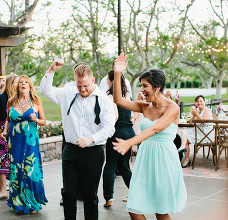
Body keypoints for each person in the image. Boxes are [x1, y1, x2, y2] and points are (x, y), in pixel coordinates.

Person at [110, 55, 187, 219]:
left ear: (157, 87)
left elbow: (154, 129)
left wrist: (128, 143)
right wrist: (117, 74)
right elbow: (118, 99)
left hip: (164, 160)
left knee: (161, 210)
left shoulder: (172, 108)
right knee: (134, 207)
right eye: (140, 85)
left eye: (145, 86)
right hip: (145, 159)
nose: (141, 90)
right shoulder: (144, 106)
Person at [40, 59, 117, 220]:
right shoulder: (67, 93)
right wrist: (51, 70)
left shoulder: (103, 99)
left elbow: (109, 128)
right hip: (70, 151)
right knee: (68, 193)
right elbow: (45, 91)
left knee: (90, 196)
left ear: (93, 80)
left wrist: (91, 138)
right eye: (79, 85)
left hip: (93, 152)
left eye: (85, 86)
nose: (82, 89)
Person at [5, 75, 48, 214]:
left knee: (30, 170)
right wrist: (5, 131)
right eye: (21, 82)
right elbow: (8, 119)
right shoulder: (11, 101)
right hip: (15, 141)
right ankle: (18, 202)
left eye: (26, 82)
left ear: (30, 86)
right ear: (17, 86)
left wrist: (36, 119)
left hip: (30, 141)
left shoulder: (36, 100)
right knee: (16, 170)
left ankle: (32, 202)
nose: (23, 84)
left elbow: (44, 121)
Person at [103, 69, 135, 207]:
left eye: (107, 80)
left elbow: (114, 116)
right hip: (129, 133)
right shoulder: (128, 96)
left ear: (111, 81)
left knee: (110, 165)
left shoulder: (110, 96)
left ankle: (108, 197)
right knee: (124, 166)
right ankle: (136, 193)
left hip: (117, 134)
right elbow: (133, 115)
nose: (106, 82)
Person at [0, 74, 17, 201]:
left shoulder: (20, 98)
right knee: (0, 161)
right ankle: (2, 191)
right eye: (17, 82)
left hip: (16, 132)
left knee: (15, 162)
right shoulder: (1, 98)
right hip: (1, 132)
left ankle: (16, 189)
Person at [182, 95, 212, 167]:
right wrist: (193, 115)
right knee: (184, 132)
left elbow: (204, 122)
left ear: (204, 102)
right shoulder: (198, 111)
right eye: (197, 101)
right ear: (195, 103)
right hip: (198, 133)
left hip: (206, 134)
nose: (199, 103)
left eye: (201, 101)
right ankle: (186, 156)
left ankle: (186, 158)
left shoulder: (207, 110)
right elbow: (190, 123)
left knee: (185, 138)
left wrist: (196, 114)